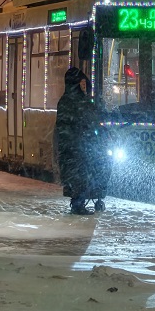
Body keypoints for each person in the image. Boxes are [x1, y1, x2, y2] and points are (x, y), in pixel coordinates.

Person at [54, 66, 104, 215]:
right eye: (81, 83)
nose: (83, 86)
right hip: (76, 147)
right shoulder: (73, 102)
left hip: (77, 146)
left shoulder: (72, 101)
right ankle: (78, 205)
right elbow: (85, 121)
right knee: (80, 175)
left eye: (84, 83)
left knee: (81, 174)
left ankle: (79, 202)